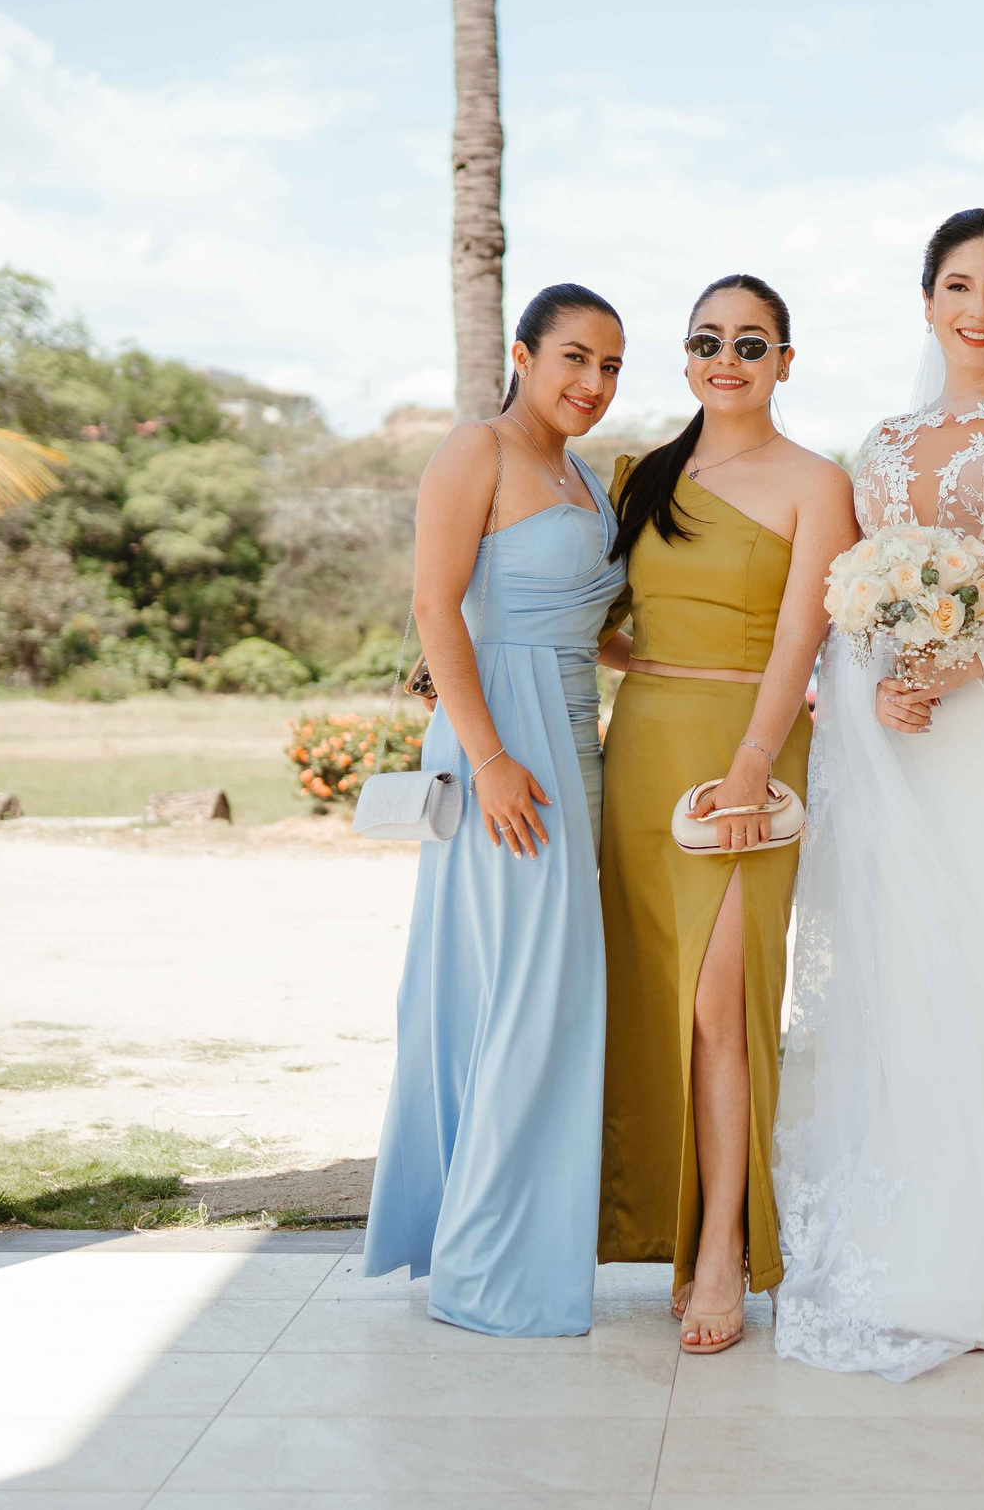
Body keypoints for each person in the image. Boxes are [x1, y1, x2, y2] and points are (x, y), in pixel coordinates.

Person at [771, 208, 984, 1380]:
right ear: (925, 299)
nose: (979, 308)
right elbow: (855, 595)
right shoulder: (879, 439)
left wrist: (969, 663)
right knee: (907, 972)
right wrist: (879, 684)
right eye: (959, 285)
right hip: (898, 733)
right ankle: (922, 1245)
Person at [595, 275, 857, 1356]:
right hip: (645, 737)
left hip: (750, 749)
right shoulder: (645, 473)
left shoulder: (816, 480)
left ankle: (723, 1251)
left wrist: (752, 756)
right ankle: (666, 1231)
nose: (727, 357)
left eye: (752, 341)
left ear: (785, 359)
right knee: (656, 996)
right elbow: (602, 620)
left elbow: (804, 637)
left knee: (725, 999)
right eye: (707, 339)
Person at [362, 284, 628, 1336]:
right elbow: (436, 606)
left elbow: (584, 618)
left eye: (610, 366)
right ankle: (485, 1266)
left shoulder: (583, 472)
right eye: (572, 357)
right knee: (518, 993)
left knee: (549, 997)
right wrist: (489, 757)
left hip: (572, 734)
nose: (591, 383)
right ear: (522, 352)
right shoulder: (477, 448)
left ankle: (502, 1235)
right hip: (503, 743)